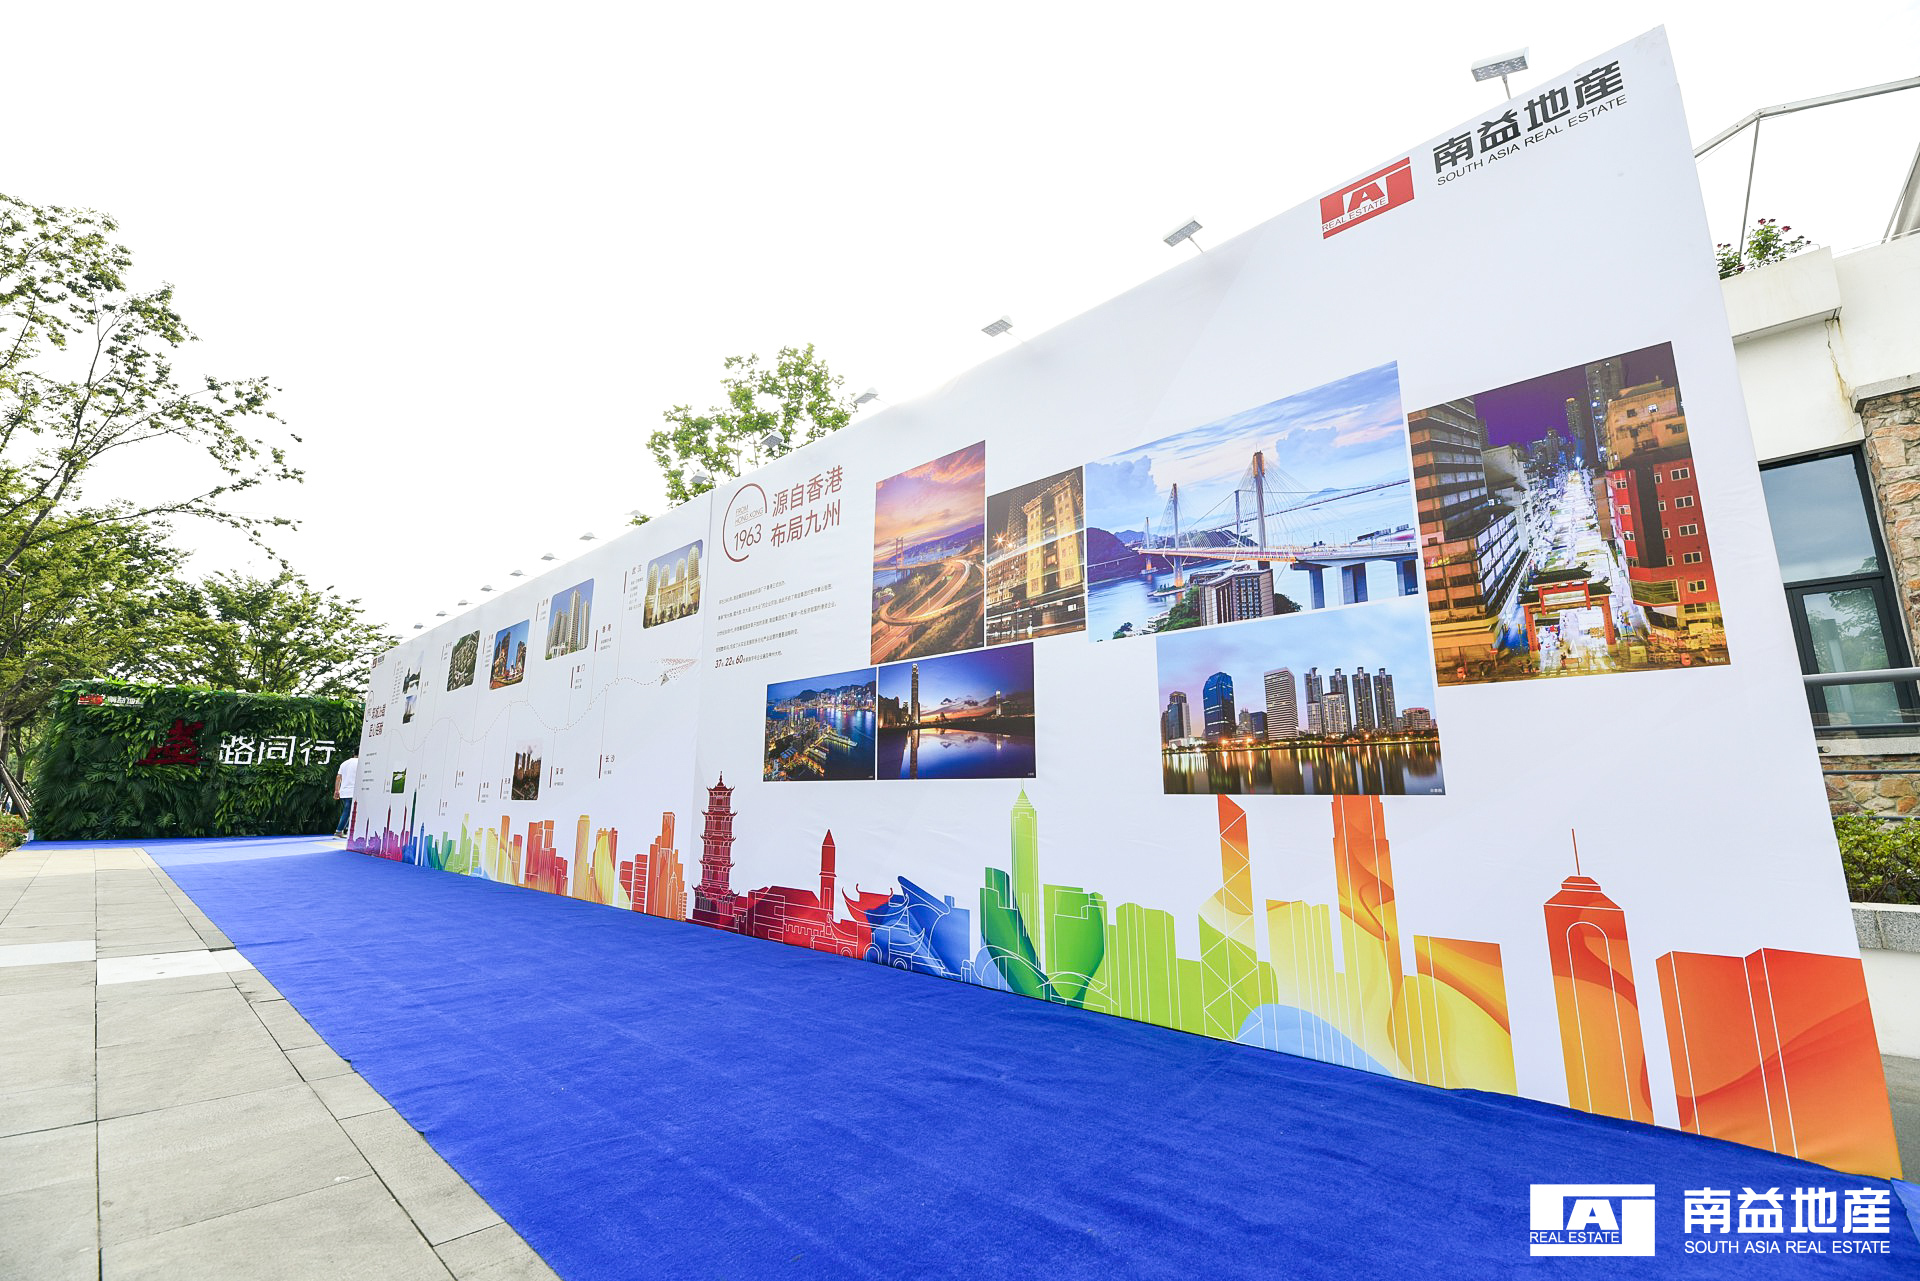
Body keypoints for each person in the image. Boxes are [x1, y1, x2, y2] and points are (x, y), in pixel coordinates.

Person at [333, 751, 359, 839]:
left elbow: (338, 777)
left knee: (349, 810)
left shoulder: (344, 763)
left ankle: (346, 830)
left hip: (344, 791)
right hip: (354, 790)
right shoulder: (360, 762)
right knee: (348, 811)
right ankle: (339, 831)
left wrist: (336, 790)